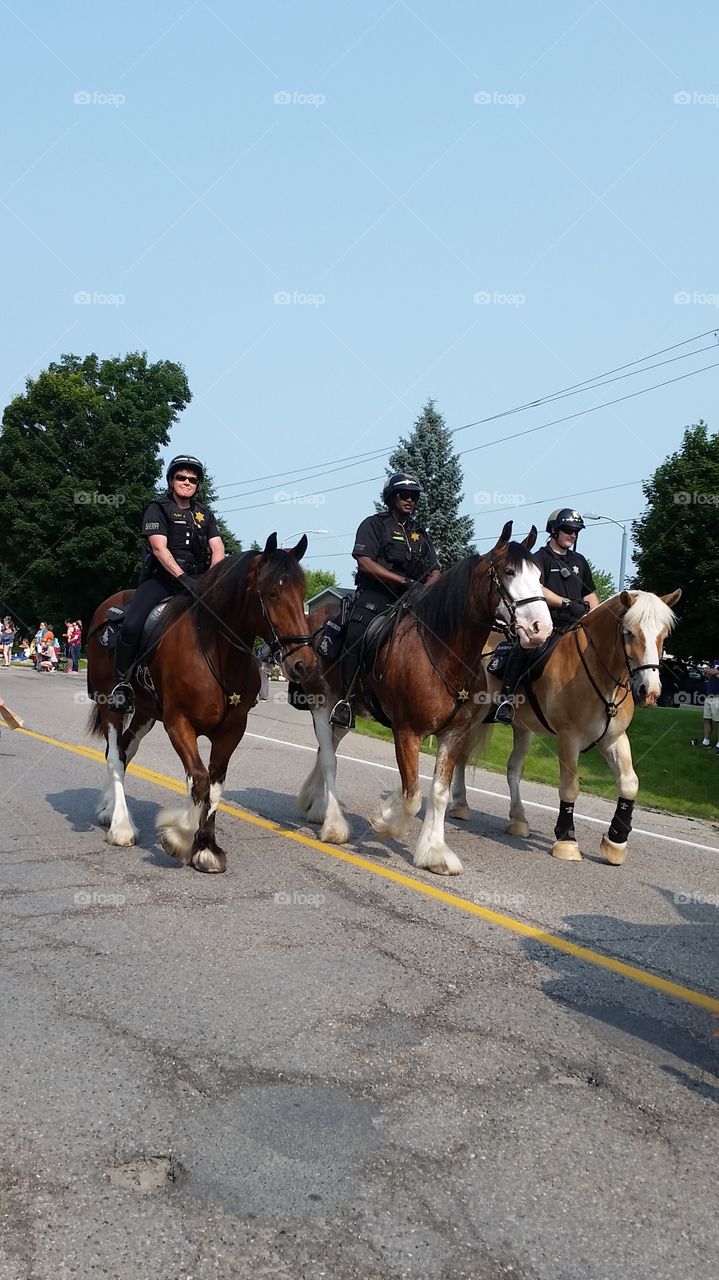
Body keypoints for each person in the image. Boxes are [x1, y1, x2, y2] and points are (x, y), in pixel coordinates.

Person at [108, 455, 225, 714]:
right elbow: (159, 548)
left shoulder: (205, 514)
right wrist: (181, 578)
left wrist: (211, 580)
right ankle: (122, 685)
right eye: (181, 477)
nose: (187, 482)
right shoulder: (158, 508)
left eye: (192, 479)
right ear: (172, 480)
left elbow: (218, 548)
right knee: (132, 624)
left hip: (198, 583)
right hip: (161, 581)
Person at [329, 472, 441, 728]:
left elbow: (435, 569)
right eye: (404, 495)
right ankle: (345, 701)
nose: (410, 500)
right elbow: (365, 563)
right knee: (356, 632)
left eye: (414, 496)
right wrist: (403, 581)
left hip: (413, 599)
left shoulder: (420, 533)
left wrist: (425, 589)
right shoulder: (374, 525)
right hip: (376, 596)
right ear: (391, 497)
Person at [495, 507, 599, 724]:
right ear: (553, 530)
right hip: (546, 622)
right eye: (568, 530)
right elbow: (537, 589)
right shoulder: (538, 558)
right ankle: (505, 700)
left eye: (577, 531)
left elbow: (590, 594)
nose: (573, 534)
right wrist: (567, 603)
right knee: (527, 645)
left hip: (577, 624)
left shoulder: (579, 561)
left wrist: (593, 615)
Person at [697, 659, 719, 749]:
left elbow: (711, 671)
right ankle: (706, 742)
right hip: (709, 696)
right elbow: (707, 673)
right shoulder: (716, 661)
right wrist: (714, 673)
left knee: (718, 721)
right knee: (707, 719)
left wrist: (712, 672)